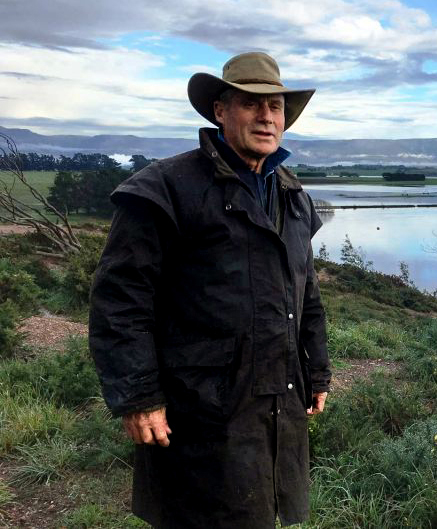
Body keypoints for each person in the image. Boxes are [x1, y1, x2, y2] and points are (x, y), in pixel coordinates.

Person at [89, 52, 330, 528]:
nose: (266, 116)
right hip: (198, 407)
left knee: (259, 509)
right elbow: (120, 300)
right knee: (203, 512)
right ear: (221, 110)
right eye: (251, 103)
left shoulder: (292, 196)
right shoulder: (166, 189)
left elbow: (307, 294)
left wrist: (316, 370)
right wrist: (139, 397)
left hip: (276, 396)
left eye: (276, 106)